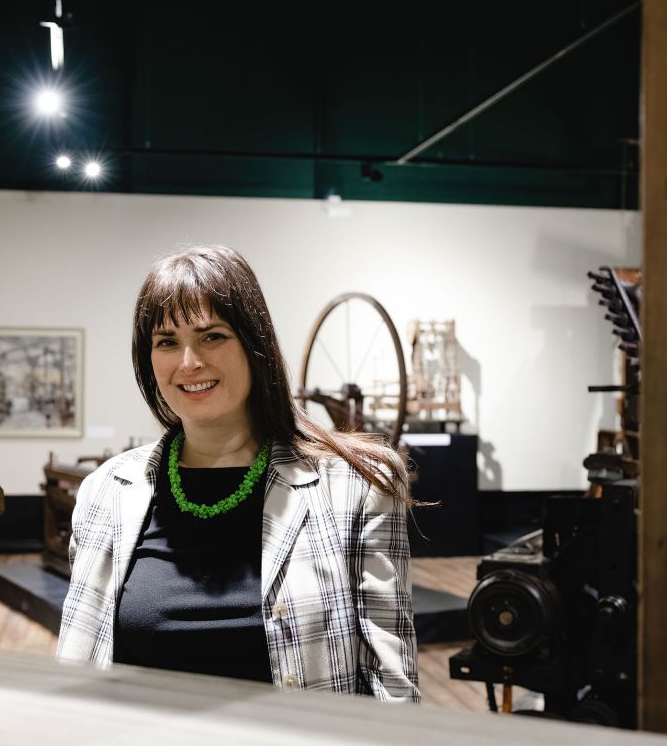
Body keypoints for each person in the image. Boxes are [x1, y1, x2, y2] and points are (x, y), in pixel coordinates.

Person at [57, 245, 419, 701]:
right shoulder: (105, 493)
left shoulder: (356, 488)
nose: (189, 362)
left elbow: (394, 686)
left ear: (255, 344)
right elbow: (78, 660)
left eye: (212, 336)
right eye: (167, 341)